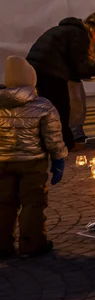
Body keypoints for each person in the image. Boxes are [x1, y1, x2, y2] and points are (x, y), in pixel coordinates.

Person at [0, 56, 68, 258]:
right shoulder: (43, 106)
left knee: (3, 203)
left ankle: (2, 245)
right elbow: (53, 137)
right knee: (33, 203)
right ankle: (32, 243)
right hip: (33, 162)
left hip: (2, 162)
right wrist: (58, 159)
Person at [25, 14, 95, 150]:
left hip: (35, 68)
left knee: (47, 108)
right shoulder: (79, 35)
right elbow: (80, 66)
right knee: (61, 108)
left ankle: (49, 143)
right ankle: (65, 144)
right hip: (50, 71)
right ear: (92, 32)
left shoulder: (64, 30)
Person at [68, 13, 95, 145]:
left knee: (79, 101)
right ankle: (75, 133)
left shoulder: (82, 37)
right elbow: (80, 63)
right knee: (75, 102)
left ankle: (76, 132)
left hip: (71, 73)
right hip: (67, 74)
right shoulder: (81, 38)